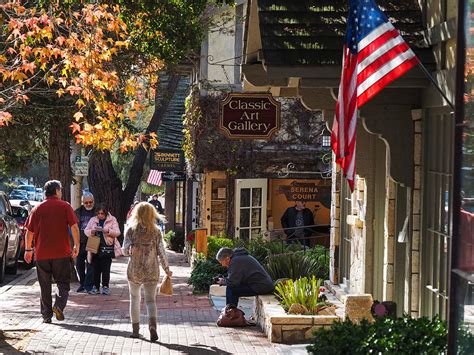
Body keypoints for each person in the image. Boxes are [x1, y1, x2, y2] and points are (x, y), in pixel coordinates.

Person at [24, 180, 80, 323]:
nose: (61, 192)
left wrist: (28, 250)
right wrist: (77, 245)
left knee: (44, 285)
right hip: (61, 253)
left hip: (42, 254)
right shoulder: (65, 206)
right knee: (63, 282)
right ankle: (59, 305)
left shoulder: (36, 209)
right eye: (60, 190)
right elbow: (74, 227)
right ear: (56, 191)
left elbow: (29, 232)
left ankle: (46, 316)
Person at [122, 202, 172, 341]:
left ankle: (135, 330)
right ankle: (152, 326)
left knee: (134, 299)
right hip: (152, 269)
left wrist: (132, 249)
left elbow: (125, 251)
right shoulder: (156, 232)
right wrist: (167, 269)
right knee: (151, 301)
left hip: (134, 270)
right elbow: (162, 252)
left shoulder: (131, 230)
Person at [84, 204, 120, 295]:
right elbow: (86, 230)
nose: (100, 215)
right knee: (95, 268)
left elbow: (117, 232)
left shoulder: (112, 220)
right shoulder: (93, 220)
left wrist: (107, 231)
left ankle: (105, 286)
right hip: (95, 245)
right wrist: (91, 231)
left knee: (106, 268)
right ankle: (96, 287)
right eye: (98, 213)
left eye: (102, 214)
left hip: (106, 246)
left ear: (106, 213)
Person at [74, 193, 96, 293]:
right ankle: (82, 283)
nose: (88, 204)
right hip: (80, 241)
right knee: (79, 264)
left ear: (93, 202)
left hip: (92, 241)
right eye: (86, 202)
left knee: (91, 264)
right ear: (82, 203)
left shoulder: (97, 212)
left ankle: (88, 285)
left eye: (90, 202)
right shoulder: (77, 212)